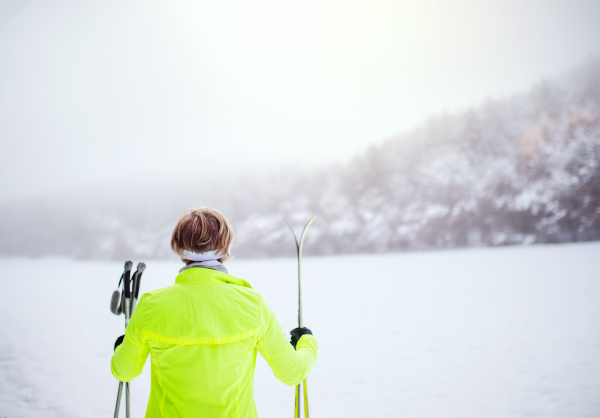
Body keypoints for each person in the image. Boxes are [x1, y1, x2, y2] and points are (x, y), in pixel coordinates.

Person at [111, 207, 318, 418]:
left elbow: (124, 371)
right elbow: (292, 373)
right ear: (225, 246)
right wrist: (307, 341)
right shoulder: (252, 305)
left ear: (179, 248)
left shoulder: (150, 306)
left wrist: (121, 347)